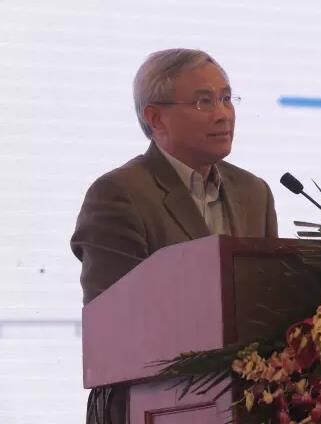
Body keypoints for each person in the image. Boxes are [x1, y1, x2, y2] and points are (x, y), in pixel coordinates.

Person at [70, 48, 278, 424]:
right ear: (155, 118)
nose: (223, 114)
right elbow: (111, 328)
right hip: (152, 406)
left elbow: (270, 306)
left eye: (226, 98)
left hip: (243, 404)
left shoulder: (254, 193)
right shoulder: (119, 194)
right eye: (203, 102)